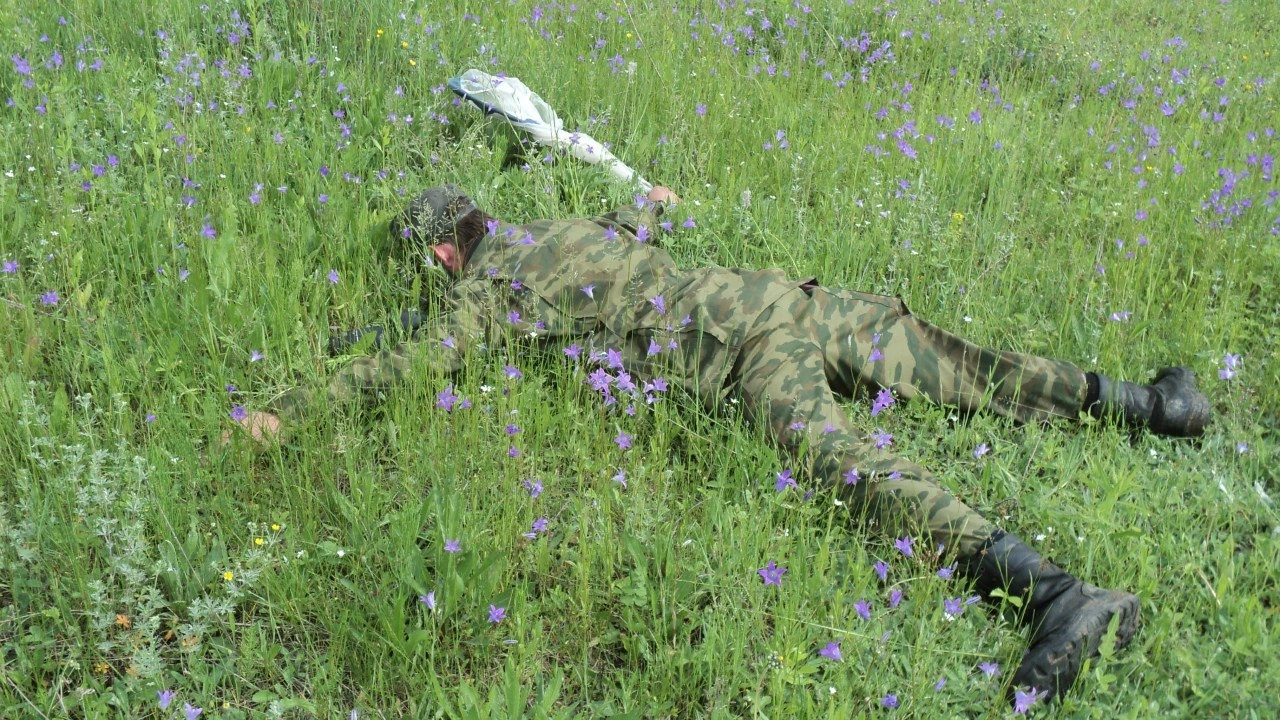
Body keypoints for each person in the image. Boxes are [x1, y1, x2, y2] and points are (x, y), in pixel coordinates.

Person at [234, 185, 1210, 702]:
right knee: (961, 366)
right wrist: (653, 202)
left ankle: (1058, 597)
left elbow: (403, 365)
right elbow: (631, 219)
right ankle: (1152, 404)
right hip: (787, 295)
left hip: (748, 348)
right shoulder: (561, 229)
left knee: (841, 461)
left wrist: (285, 409)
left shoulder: (493, 289)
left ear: (446, 252)